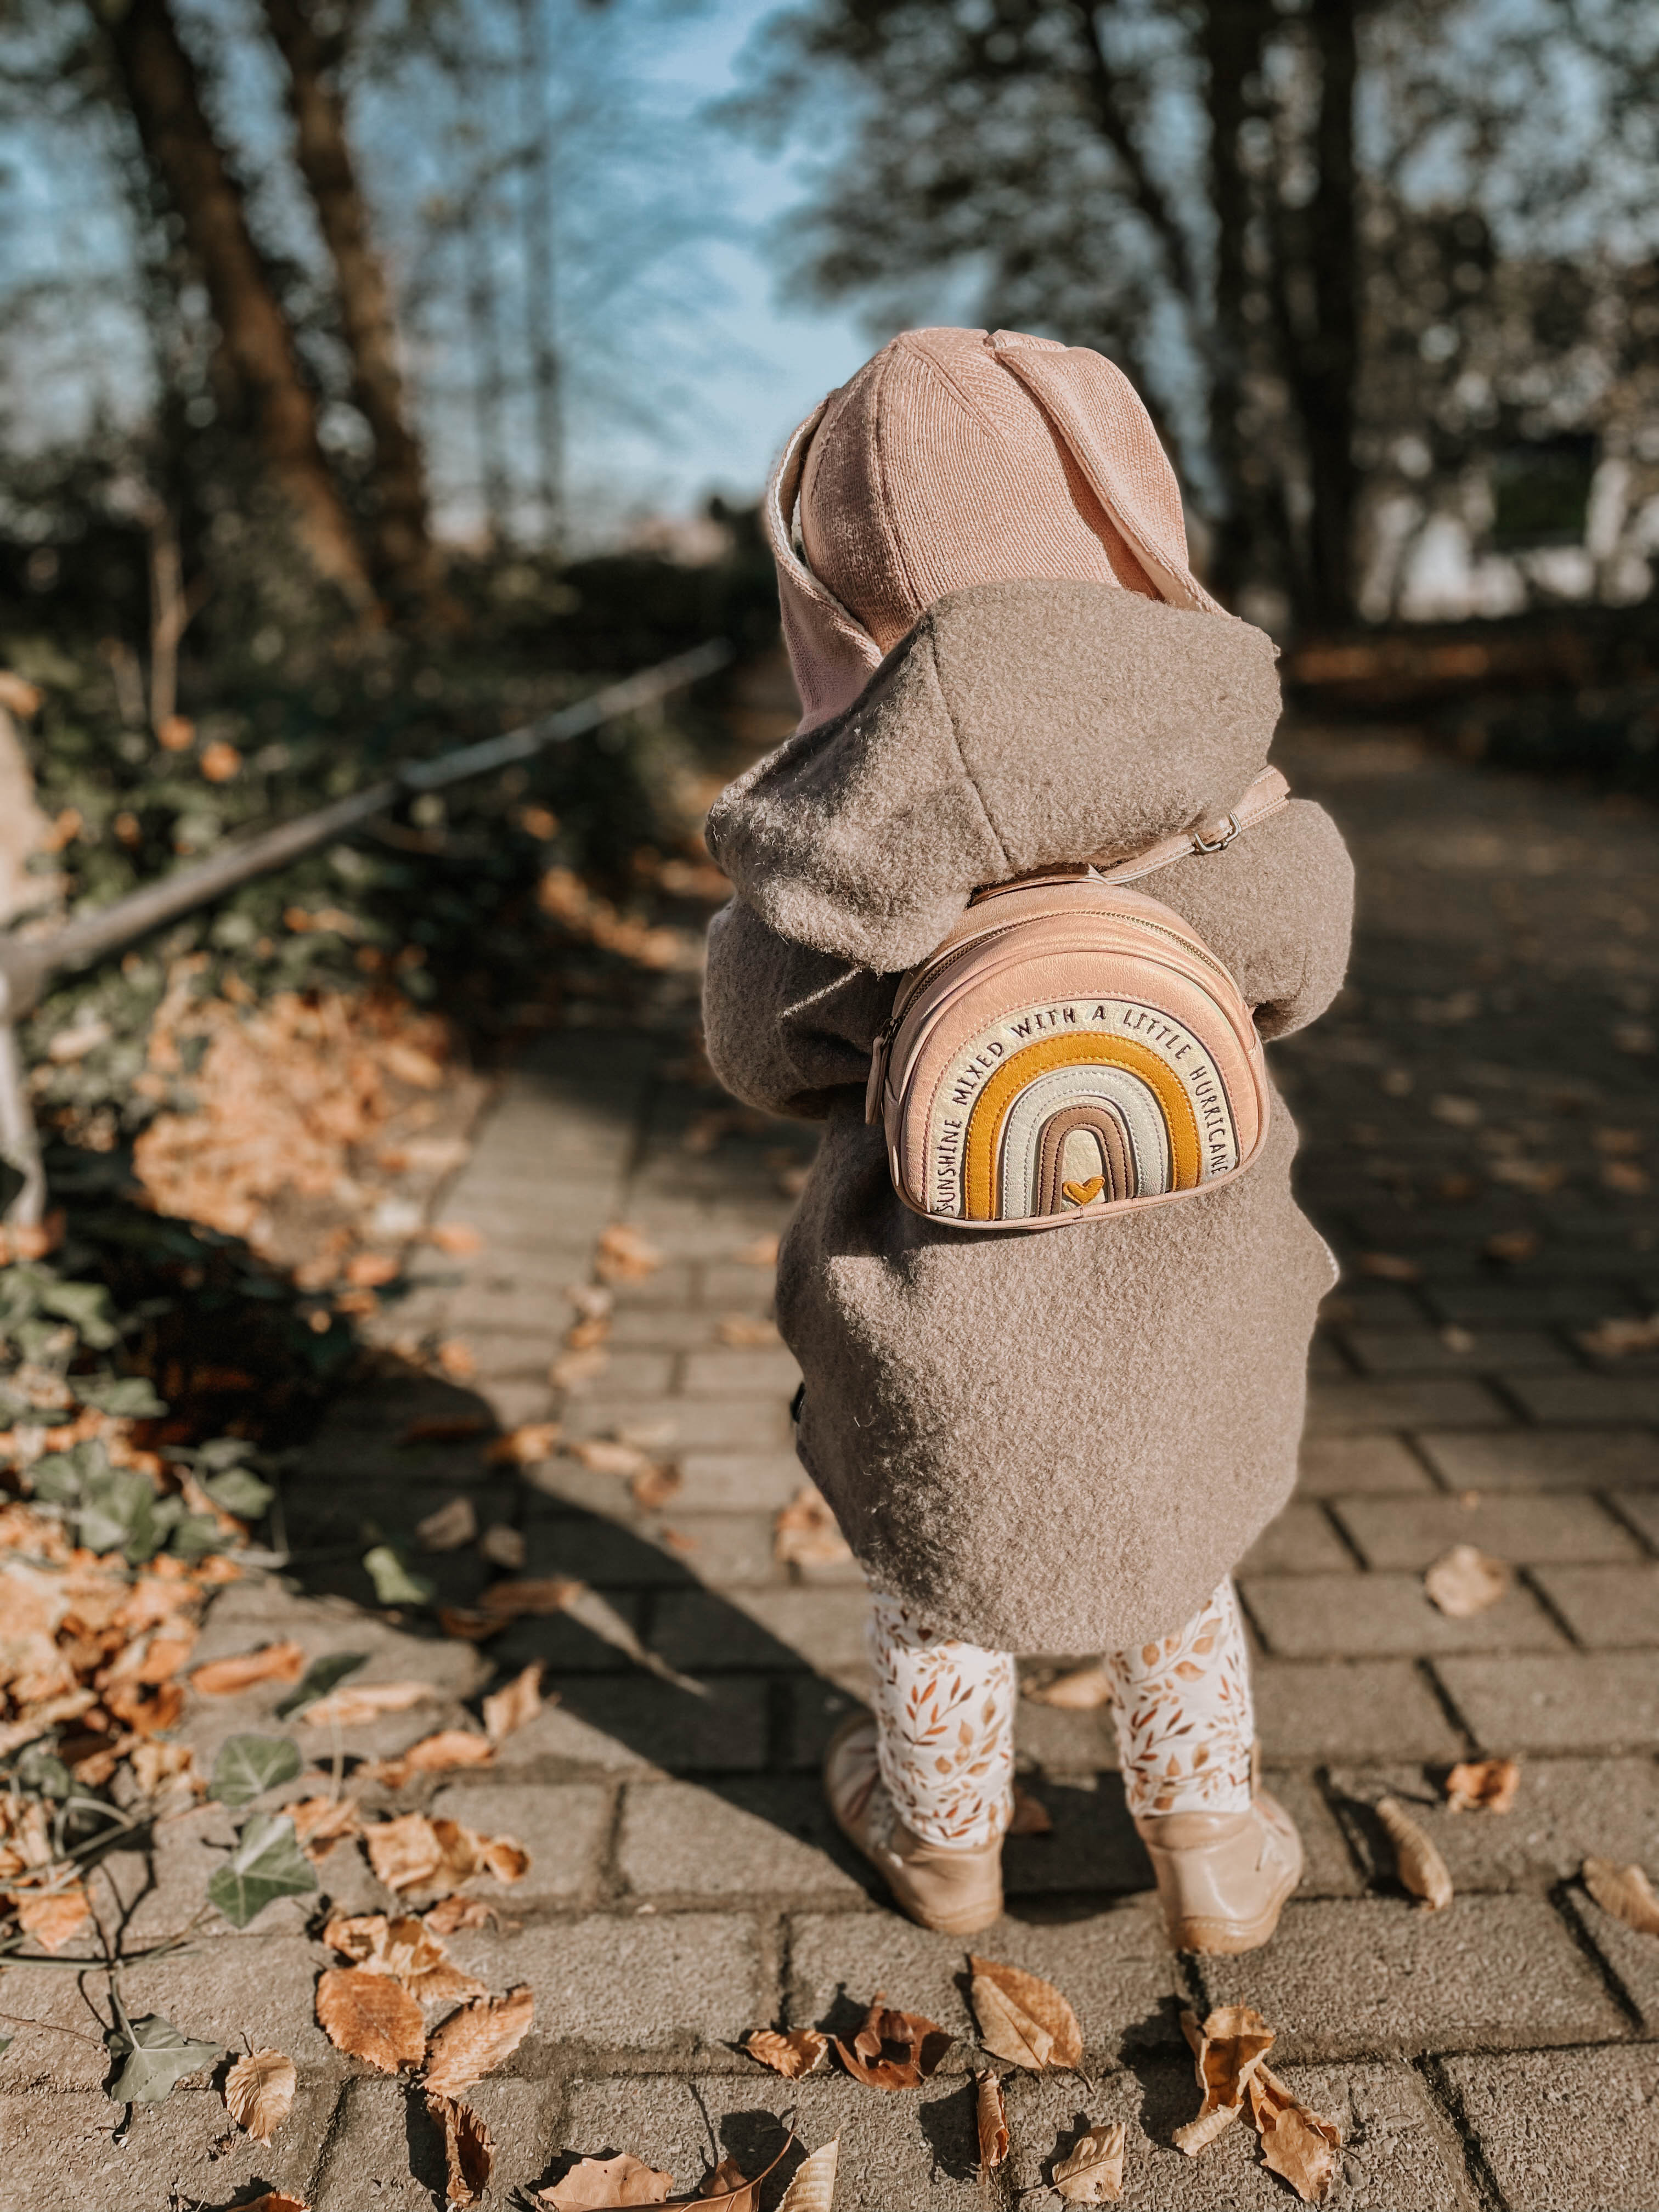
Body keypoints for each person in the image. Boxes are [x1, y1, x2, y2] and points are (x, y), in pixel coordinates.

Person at [701, 326, 1353, 1952]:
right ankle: (1209, 1844)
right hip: (1191, 1318)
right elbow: (1309, 961)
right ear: (1128, 526)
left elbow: (756, 1057)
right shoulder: (1218, 787)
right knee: (1179, 1567)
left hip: (941, 1323)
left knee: (938, 1585)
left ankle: (944, 1848)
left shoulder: (833, 856)